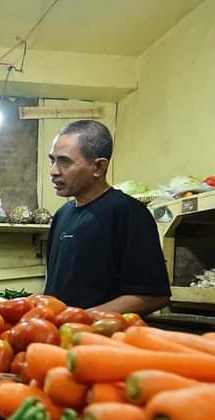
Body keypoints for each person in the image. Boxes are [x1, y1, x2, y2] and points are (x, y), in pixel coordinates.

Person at [44, 120, 170, 315]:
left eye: (65, 162)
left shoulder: (128, 213)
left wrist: (84, 320)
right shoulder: (62, 215)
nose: (53, 171)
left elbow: (153, 295)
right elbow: (56, 289)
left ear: (98, 167)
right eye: (52, 160)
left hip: (103, 341)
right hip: (62, 339)